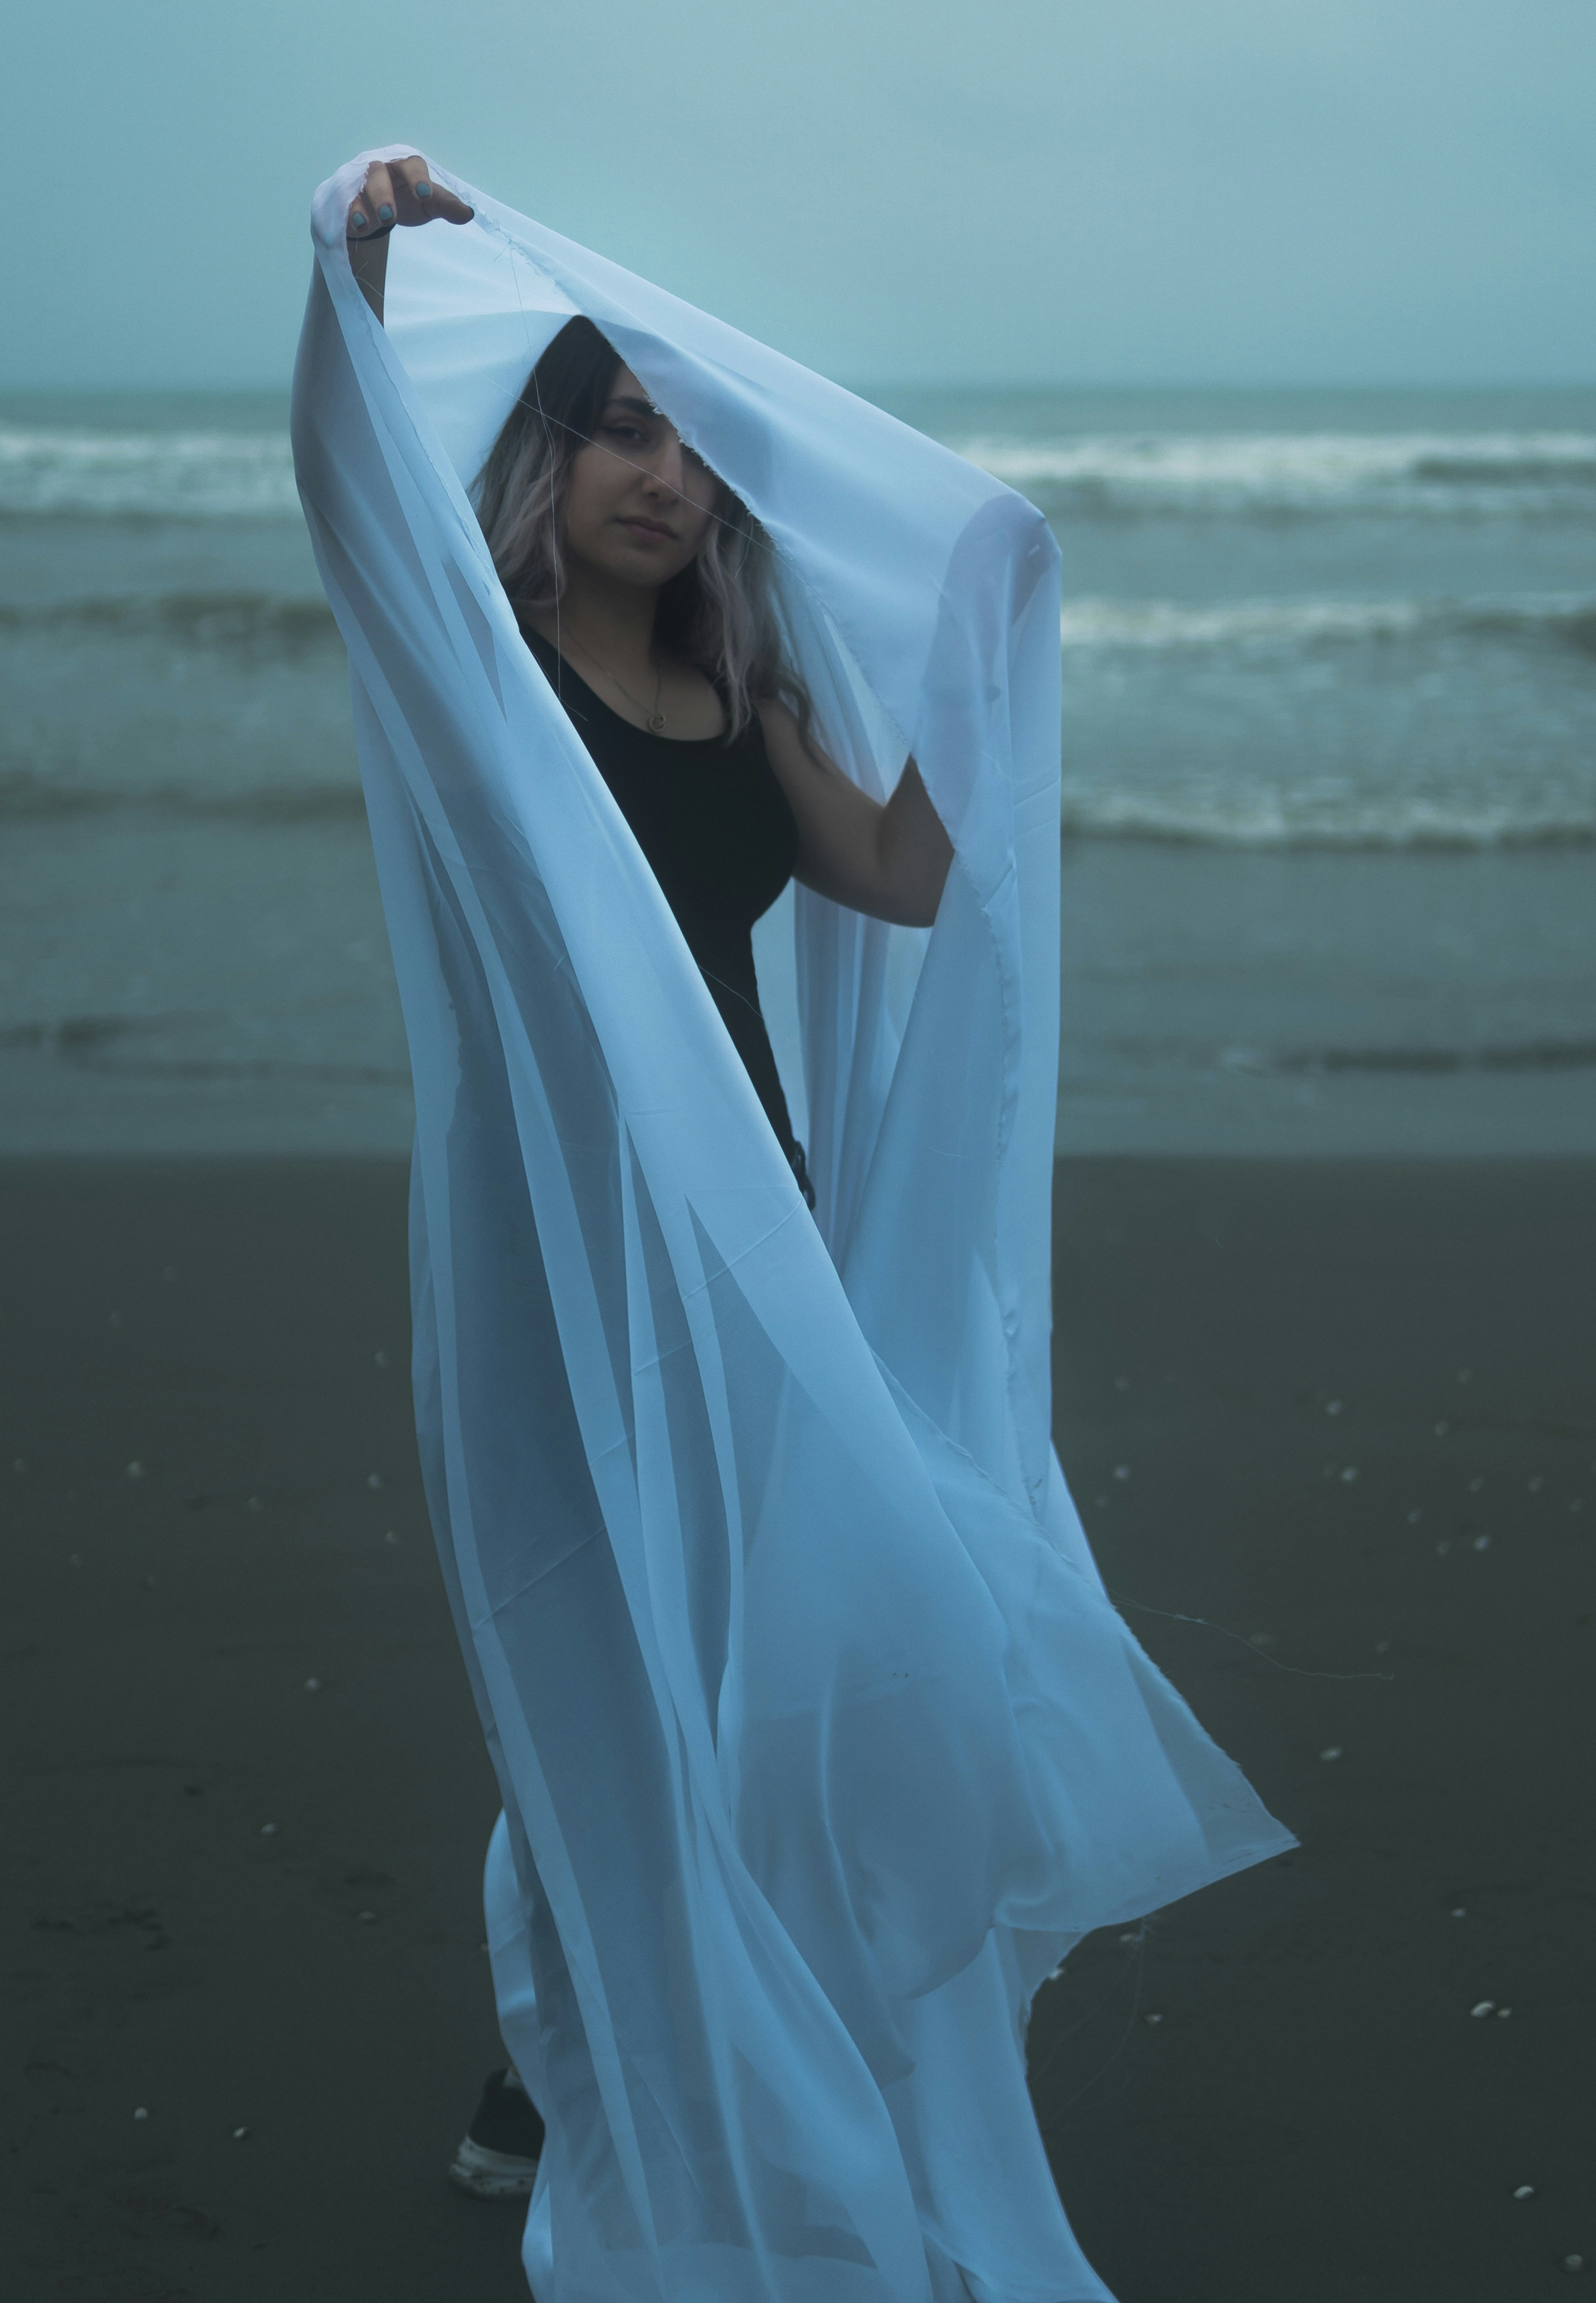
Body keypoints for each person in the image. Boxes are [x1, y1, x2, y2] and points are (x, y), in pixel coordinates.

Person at [297, 148, 1293, 2303]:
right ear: (546, 458)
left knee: (808, 1643)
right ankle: (572, 2060)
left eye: (693, 444)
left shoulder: (736, 706)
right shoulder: (484, 682)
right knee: (625, 1647)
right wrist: (353, 247)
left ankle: (633, 2034)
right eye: (620, 429)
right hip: (566, 1257)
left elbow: (907, 880)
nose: (663, 474)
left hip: (760, 1253)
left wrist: (974, 634)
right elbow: (357, 490)